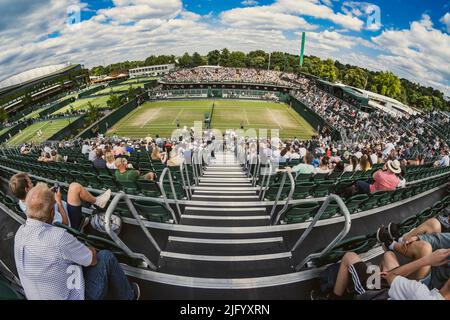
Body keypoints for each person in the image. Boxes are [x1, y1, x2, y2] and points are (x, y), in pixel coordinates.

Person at [14, 184, 139, 300]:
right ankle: (129, 295)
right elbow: (92, 259)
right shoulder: (58, 238)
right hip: (78, 296)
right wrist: (90, 250)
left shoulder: (19, 233)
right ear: (52, 213)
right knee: (106, 257)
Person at [9, 172, 111, 229]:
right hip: (69, 221)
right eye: (30, 183)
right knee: (75, 187)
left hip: (62, 214)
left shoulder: (22, 202)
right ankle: (97, 202)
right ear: (27, 189)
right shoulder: (39, 205)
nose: (32, 184)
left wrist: (48, 193)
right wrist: (58, 201)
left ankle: (96, 202)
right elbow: (65, 224)